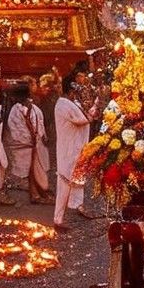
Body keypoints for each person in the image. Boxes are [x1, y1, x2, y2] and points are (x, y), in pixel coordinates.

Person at [52, 77, 91, 231]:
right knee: (64, 183)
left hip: (75, 147)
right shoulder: (64, 104)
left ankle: (77, 205)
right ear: (72, 91)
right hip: (67, 150)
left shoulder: (70, 103)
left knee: (78, 177)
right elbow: (84, 119)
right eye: (77, 91)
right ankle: (58, 219)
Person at [4, 84, 48, 206]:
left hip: (35, 144)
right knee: (30, 170)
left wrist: (40, 136)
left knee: (35, 169)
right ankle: (35, 194)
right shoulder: (15, 110)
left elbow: (40, 122)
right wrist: (28, 140)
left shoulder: (34, 108)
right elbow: (15, 128)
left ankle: (38, 193)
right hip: (24, 146)